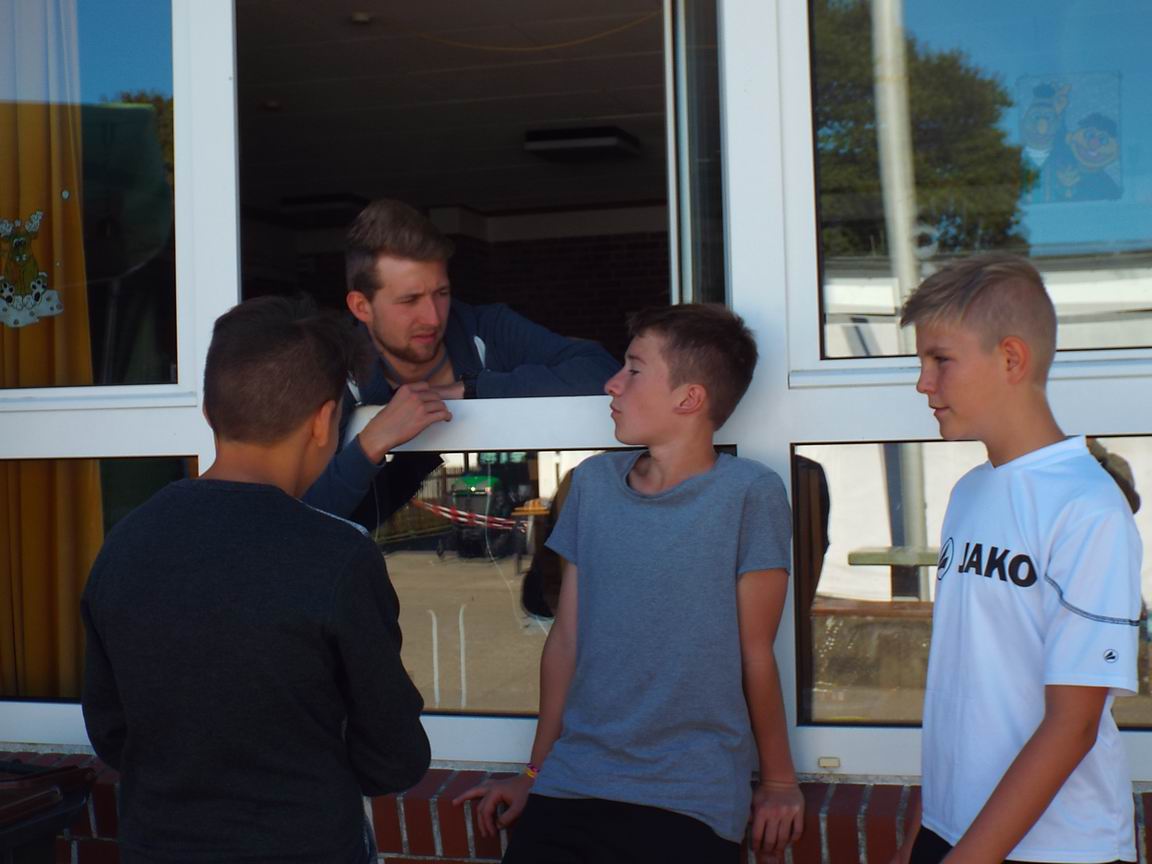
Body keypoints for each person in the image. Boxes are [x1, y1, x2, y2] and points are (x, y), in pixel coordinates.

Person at [81, 296, 430, 864]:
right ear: (323, 421)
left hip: (158, 845)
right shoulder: (337, 557)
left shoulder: (124, 545)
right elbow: (394, 755)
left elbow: (111, 730)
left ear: (208, 411)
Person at [455, 304, 804, 863]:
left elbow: (755, 652)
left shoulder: (749, 494)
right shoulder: (592, 484)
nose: (612, 384)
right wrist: (533, 772)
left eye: (634, 370)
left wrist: (780, 781)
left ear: (689, 398)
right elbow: (566, 640)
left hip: (690, 797)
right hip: (572, 783)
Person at [893, 254, 1142, 864]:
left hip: (1060, 848)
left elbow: (1073, 725)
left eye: (940, 360)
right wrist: (922, 835)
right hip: (953, 830)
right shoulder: (969, 492)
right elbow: (967, 685)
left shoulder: (1088, 507)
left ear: (1010, 359)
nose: (923, 383)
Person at [303, 198, 620, 529]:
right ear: (361, 307)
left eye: (441, 293)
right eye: (410, 300)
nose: (432, 317)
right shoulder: (328, 369)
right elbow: (296, 519)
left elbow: (604, 374)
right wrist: (371, 442)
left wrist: (470, 389)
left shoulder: (488, 330)